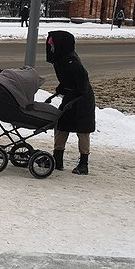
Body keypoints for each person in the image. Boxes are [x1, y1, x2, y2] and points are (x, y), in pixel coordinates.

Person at [46, 30, 96, 175]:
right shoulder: (60, 59)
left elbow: (82, 81)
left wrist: (75, 92)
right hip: (70, 96)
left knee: (83, 131)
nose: (51, 48)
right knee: (61, 126)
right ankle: (57, 159)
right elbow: (68, 79)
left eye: (52, 45)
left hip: (83, 99)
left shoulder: (71, 61)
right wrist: (62, 88)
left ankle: (83, 164)